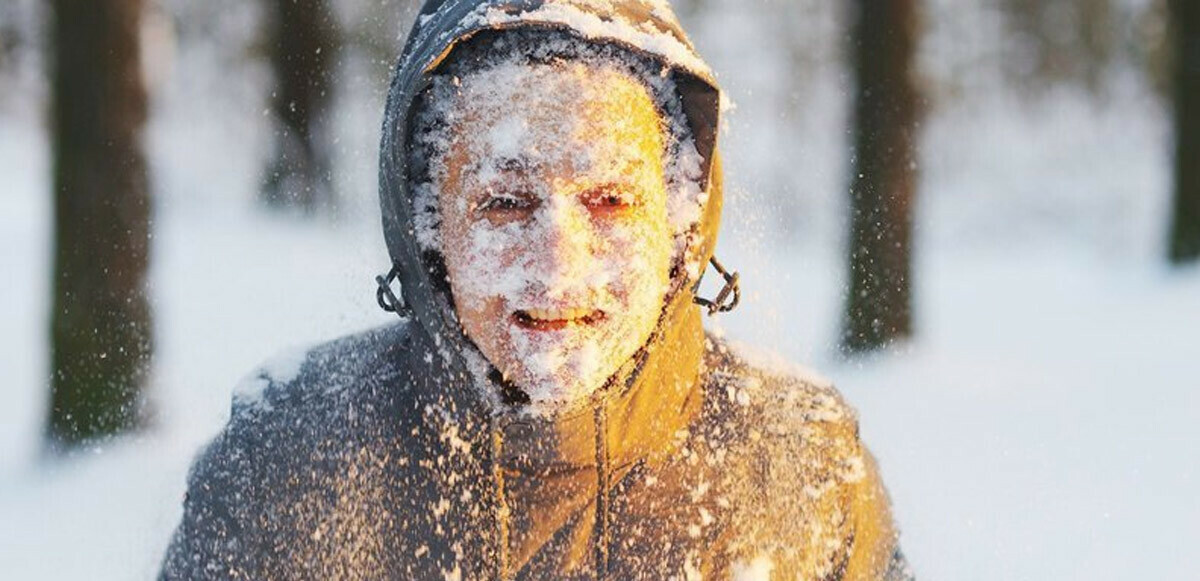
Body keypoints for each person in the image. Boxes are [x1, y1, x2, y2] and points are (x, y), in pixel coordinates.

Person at [160, 1, 913, 579]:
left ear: (681, 220)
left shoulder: (798, 466)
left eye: (611, 202)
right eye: (505, 203)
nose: (559, 266)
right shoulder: (290, 465)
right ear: (428, 226)